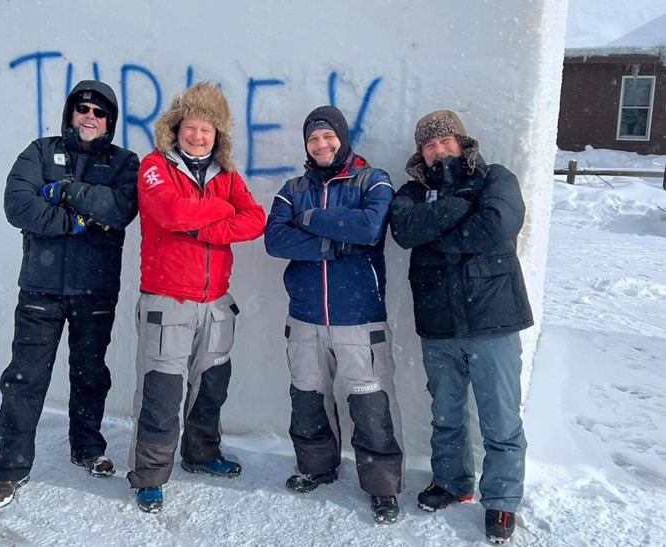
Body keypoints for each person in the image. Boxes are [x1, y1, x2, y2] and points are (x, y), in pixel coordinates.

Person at [0, 80, 140, 509]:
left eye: (100, 112)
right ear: (71, 113)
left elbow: (120, 210)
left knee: (90, 375)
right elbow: (18, 205)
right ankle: (10, 469)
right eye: (83, 109)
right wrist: (75, 222)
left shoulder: (125, 162)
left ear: (110, 121)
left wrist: (66, 190)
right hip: (40, 287)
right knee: (24, 379)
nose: (90, 117)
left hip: (96, 289)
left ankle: (87, 448)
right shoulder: (39, 151)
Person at [389, 110, 533, 544]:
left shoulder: (496, 178)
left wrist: (437, 234)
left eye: (444, 141)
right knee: (446, 414)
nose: (437, 151)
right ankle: (452, 483)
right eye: (429, 146)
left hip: (494, 319)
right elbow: (404, 228)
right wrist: (456, 208)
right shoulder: (414, 191)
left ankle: (502, 502)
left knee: (500, 418)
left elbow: (497, 224)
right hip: (439, 323)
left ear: (461, 141)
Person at [127, 81, 265, 513]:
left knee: (210, 387)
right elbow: (169, 212)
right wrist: (223, 212)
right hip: (168, 302)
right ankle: (148, 475)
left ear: (217, 135)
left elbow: (255, 219)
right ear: (176, 127)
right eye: (192, 127)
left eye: (207, 129)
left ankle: (201, 453)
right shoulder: (155, 166)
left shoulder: (226, 175)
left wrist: (202, 226)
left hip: (216, 303)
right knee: (161, 393)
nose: (198, 136)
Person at [264, 106, 404, 524]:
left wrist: (308, 220)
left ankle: (382, 487)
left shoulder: (372, 179)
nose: (321, 145)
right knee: (307, 397)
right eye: (313, 139)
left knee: (370, 403)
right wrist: (331, 245)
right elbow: (275, 238)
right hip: (306, 316)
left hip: (359, 316)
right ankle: (316, 467)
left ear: (342, 137)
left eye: (328, 137)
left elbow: (369, 228)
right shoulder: (293, 187)